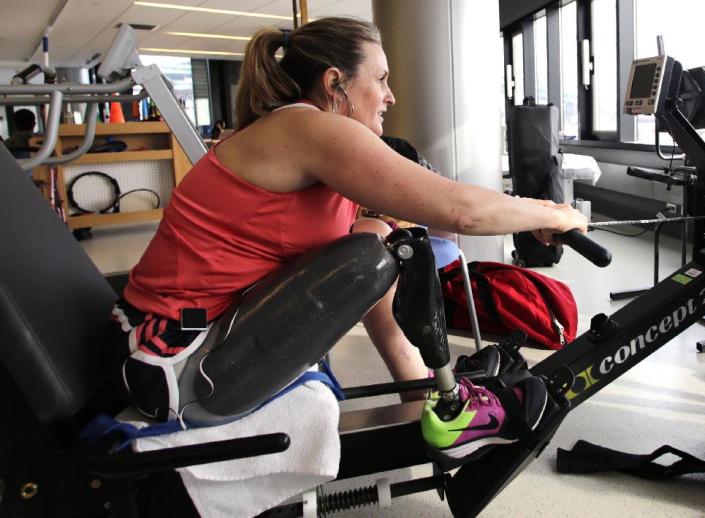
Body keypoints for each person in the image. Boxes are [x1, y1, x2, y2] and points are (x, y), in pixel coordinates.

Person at [107, 17, 586, 463]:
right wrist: (551, 212)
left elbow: (401, 236)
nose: (390, 96)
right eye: (380, 79)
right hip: (168, 360)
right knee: (372, 248)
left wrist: (425, 391)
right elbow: (459, 209)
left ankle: (431, 395)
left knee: (378, 235)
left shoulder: (300, 132)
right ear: (335, 83)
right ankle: (441, 399)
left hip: (186, 338)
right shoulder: (309, 128)